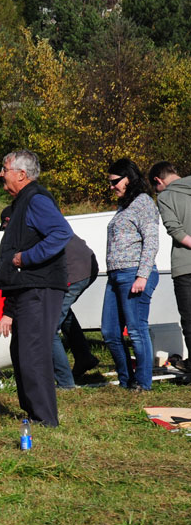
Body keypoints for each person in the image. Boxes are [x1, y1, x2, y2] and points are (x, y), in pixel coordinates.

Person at [0, 150, 72, 427]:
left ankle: (44, 418)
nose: (1, 174)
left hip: (41, 286)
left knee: (33, 352)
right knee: (21, 351)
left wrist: (27, 257)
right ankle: (33, 412)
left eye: (5, 169)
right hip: (27, 286)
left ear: (21, 175)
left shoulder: (36, 199)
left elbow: (61, 233)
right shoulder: (21, 203)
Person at [102, 158, 160, 390]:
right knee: (109, 331)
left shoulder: (143, 202)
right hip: (116, 276)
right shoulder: (124, 206)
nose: (112, 186)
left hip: (134, 273)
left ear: (129, 178)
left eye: (115, 181)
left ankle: (143, 383)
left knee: (136, 330)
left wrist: (142, 275)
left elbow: (152, 241)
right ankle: (126, 380)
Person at [152, 161, 191, 372]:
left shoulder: (165, 197)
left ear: (159, 181)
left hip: (185, 265)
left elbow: (174, 229)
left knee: (190, 320)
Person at [53, 235, 100, 387]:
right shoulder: (44, 219)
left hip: (75, 272)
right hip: (84, 266)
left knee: (49, 328)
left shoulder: (31, 224)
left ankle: (65, 382)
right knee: (63, 312)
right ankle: (84, 357)